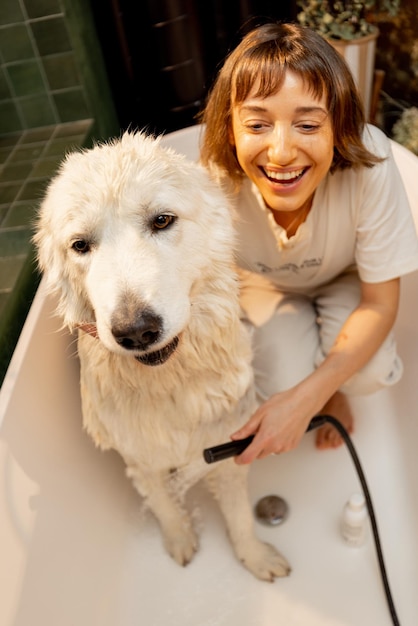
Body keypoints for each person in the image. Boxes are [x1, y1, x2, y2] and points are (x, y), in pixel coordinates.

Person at [199, 22, 418, 463]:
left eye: (307, 124)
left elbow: (379, 303)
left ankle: (332, 391)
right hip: (263, 286)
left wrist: (310, 397)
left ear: (338, 126)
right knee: (278, 380)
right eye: (257, 124)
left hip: (346, 278)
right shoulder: (212, 182)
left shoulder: (371, 164)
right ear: (229, 131)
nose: (281, 152)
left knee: (370, 371)